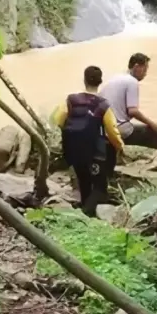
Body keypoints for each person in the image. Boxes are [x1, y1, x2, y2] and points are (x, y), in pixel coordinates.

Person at [99, 53, 157, 178]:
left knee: (123, 125)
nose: (145, 73)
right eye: (145, 69)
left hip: (102, 129)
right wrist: (154, 125)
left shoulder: (114, 79)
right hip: (117, 129)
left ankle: (116, 160)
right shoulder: (132, 82)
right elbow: (132, 111)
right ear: (137, 66)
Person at [50, 65, 124, 217]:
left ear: (84, 80)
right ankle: (85, 216)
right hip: (95, 153)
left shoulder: (71, 100)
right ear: (100, 82)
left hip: (73, 151)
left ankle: (86, 210)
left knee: (84, 182)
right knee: (99, 188)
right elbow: (112, 131)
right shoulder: (103, 104)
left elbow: (58, 120)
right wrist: (120, 147)